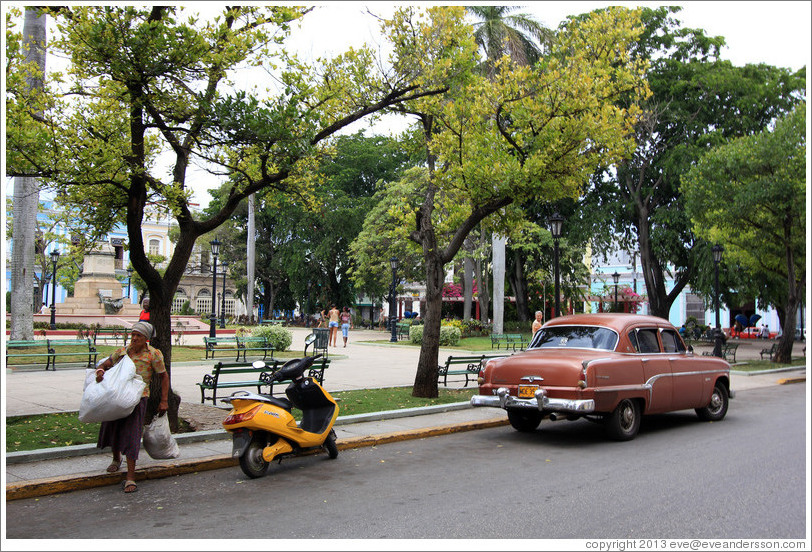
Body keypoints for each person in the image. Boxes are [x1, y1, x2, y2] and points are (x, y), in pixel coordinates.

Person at [94, 321, 168, 493]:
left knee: (132, 434)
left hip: (138, 398)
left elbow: (163, 377)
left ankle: (130, 477)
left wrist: (164, 400)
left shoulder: (153, 355)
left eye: (138, 336)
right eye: (133, 335)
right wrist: (100, 372)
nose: (134, 338)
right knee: (113, 426)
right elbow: (105, 364)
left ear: (146, 339)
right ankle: (115, 458)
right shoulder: (122, 352)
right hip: (117, 397)